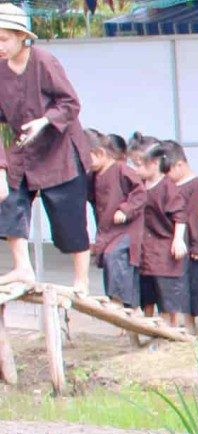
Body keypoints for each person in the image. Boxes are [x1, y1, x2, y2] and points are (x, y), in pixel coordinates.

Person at [0, 4, 93, 294]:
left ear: (20, 37)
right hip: (24, 148)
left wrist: (44, 121)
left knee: (69, 215)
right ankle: (22, 267)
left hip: (59, 147)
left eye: (3, 39)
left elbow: (71, 103)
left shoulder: (43, 60)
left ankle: (81, 280)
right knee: (9, 198)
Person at [127, 137, 187, 329]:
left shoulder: (168, 187)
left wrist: (178, 239)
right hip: (146, 247)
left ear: (154, 164)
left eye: (139, 165)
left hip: (163, 247)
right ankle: (148, 325)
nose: (135, 169)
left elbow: (180, 214)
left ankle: (172, 326)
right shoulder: (140, 186)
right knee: (147, 289)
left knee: (167, 290)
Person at [162, 140, 198, 338]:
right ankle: (189, 322)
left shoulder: (197, 186)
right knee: (183, 287)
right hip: (180, 245)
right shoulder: (173, 186)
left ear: (179, 165)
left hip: (196, 244)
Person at [86, 130, 143, 309]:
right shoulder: (94, 175)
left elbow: (140, 192)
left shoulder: (121, 169)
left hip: (127, 229)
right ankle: (118, 302)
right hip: (108, 229)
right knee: (109, 259)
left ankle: (119, 301)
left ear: (101, 153)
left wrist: (125, 210)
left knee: (115, 256)